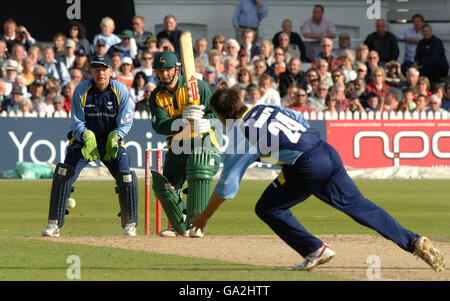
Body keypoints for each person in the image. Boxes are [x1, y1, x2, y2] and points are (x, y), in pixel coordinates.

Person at [190, 87, 446, 272]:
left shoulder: (241, 134)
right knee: (360, 205)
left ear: (223, 116)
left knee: (267, 208)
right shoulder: (266, 107)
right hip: (326, 151)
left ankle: (315, 249)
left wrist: (203, 218)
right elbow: (301, 121)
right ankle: (413, 241)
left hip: (305, 166)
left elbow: (226, 187)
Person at [41, 55, 137, 237]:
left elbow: (126, 120)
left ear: (111, 71)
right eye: (96, 69)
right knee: (63, 173)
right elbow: (77, 121)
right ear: (91, 71)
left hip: (111, 142)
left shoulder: (120, 90)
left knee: (126, 177)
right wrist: (85, 135)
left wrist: (116, 136)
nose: (100, 73)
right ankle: (54, 224)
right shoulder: (81, 89)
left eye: (104, 69)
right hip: (85, 142)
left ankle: (129, 224)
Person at [148, 51, 222, 238]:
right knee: (167, 187)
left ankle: (197, 224)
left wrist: (208, 122)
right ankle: (178, 225)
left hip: (206, 141)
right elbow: (160, 125)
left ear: (177, 69)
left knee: (199, 167)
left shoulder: (199, 87)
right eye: (160, 71)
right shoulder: (156, 96)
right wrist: (183, 119)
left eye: (168, 70)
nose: (164, 74)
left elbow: (217, 115)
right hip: (179, 143)